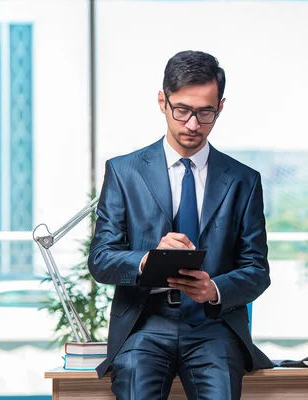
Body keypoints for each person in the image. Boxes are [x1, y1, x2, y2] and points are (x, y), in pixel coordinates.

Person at [88, 50, 273, 400]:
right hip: (145, 324)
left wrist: (214, 289)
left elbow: (257, 269)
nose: (192, 125)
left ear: (220, 107)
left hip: (213, 327)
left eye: (205, 112)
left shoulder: (243, 181)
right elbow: (100, 259)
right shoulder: (124, 172)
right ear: (162, 101)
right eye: (182, 110)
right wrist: (146, 260)